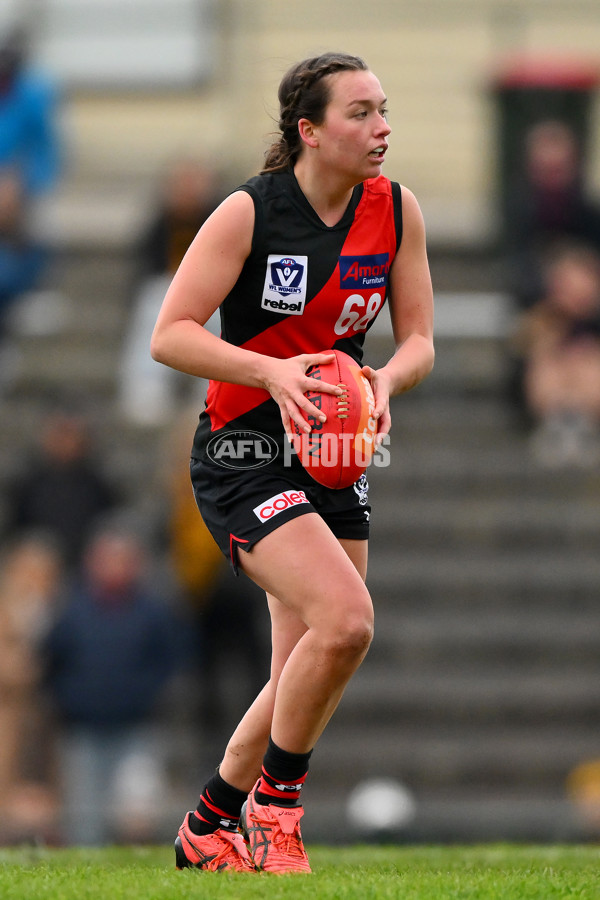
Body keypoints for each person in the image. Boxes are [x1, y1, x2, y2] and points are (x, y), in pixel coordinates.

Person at [151, 52, 434, 874]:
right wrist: (271, 371)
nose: (381, 129)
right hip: (242, 451)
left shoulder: (398, 210)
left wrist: (385, 378)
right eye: (360, 114)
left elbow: (418, 338)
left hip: (337, 450)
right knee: (346, 621)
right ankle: (277, 807)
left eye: (384, 111)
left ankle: (209, 823)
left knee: (302, 667)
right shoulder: (248, 212)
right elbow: (171, 332)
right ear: (309, 130)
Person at [42, 522, 181, 846]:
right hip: (82, 727)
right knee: (84, 810)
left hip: (137, 725)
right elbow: (52, 660)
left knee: (138, 809)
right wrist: (70, 698)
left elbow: (172, 658)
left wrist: (146, 693)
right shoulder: (72, 609)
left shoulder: (153, 611)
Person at [514, 242, 600, 467]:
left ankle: (579, 424)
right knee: (546, 364)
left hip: (587, 392)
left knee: (589, 364)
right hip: (552, 395)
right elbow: (521, 348)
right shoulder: (542, 317)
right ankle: (561, 424)